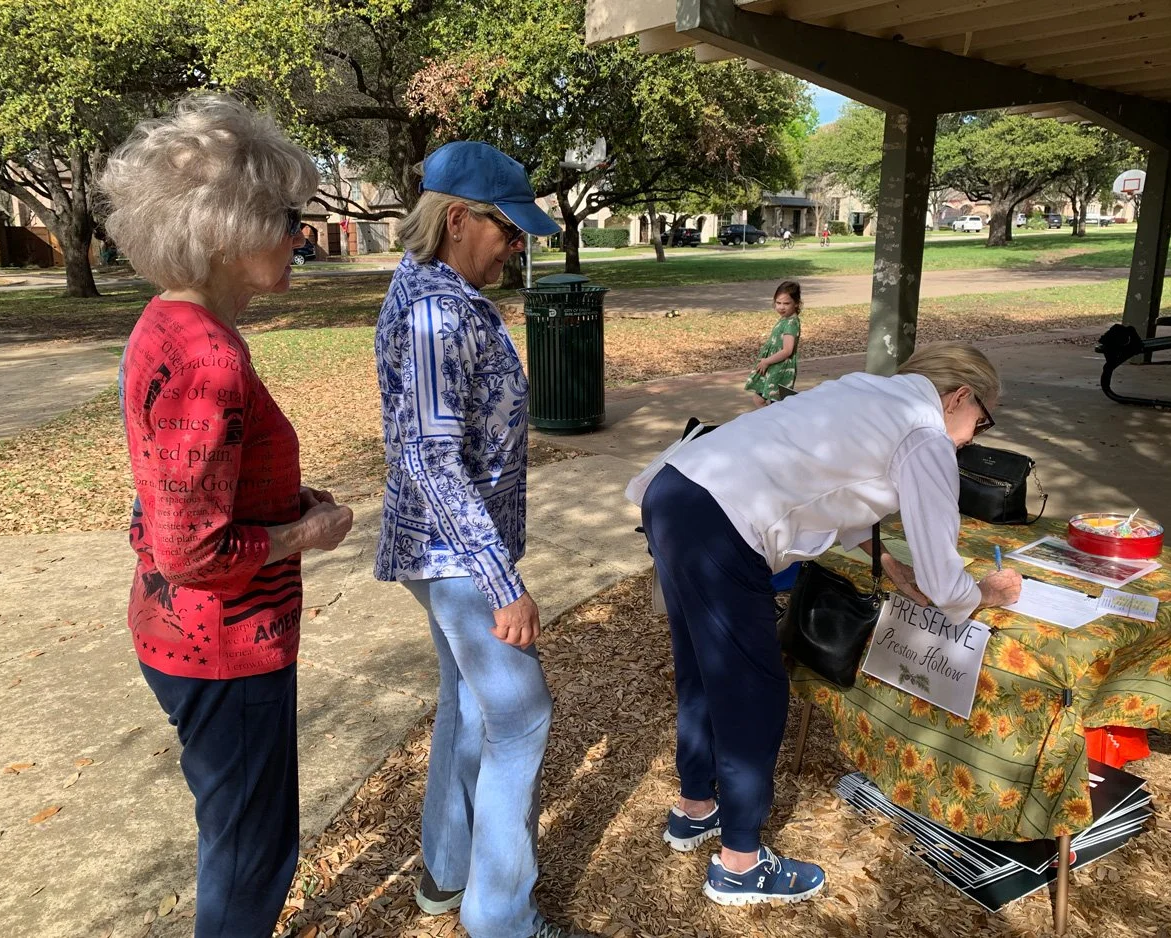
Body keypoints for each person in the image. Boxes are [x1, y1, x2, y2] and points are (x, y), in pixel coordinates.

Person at [640, 342, 1022, 907]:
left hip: (674, 490)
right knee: (753, 690)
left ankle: (697, 808)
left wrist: (887, 560)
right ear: (960, 397)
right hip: (723, 521)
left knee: (702, 668)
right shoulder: (926, 434)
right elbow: (944, 579)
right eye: (980, 422)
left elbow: (832, 489)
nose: (972, 438)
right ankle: (740, 864)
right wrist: (984, 592)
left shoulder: (867, 390)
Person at [100, 93, 355, 938]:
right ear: (221, 227)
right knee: (250, 858)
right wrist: (305, 533)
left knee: (234, 839)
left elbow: (189, 487)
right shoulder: (207, 354)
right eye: (285, 217)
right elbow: (192, 550)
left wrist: (290, 497)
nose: (301, 234)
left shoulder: (165, 325)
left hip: (183, 638)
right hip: (224, 648)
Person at [373, 141, 592, 938]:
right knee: (522, 717)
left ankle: (446, 871)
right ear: (458, 219)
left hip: (449, 550)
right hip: (456, 556)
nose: (518, 243)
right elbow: (430, 458)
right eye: (508, 228)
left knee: (467, 704)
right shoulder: (436, 311)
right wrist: (502, 582)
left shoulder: (438, 293)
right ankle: (500, 919)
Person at [745, 280, 802, 408]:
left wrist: (767, 361)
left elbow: (787, 350)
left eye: (786, 303)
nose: (781, 307)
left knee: (775, 403)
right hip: (773, 367)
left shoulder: (791, 323)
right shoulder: (785, 319)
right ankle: (771, 422)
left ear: (796, 303)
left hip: (780, 369)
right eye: (778, 303)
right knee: (759, 399)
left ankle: (774, 423)